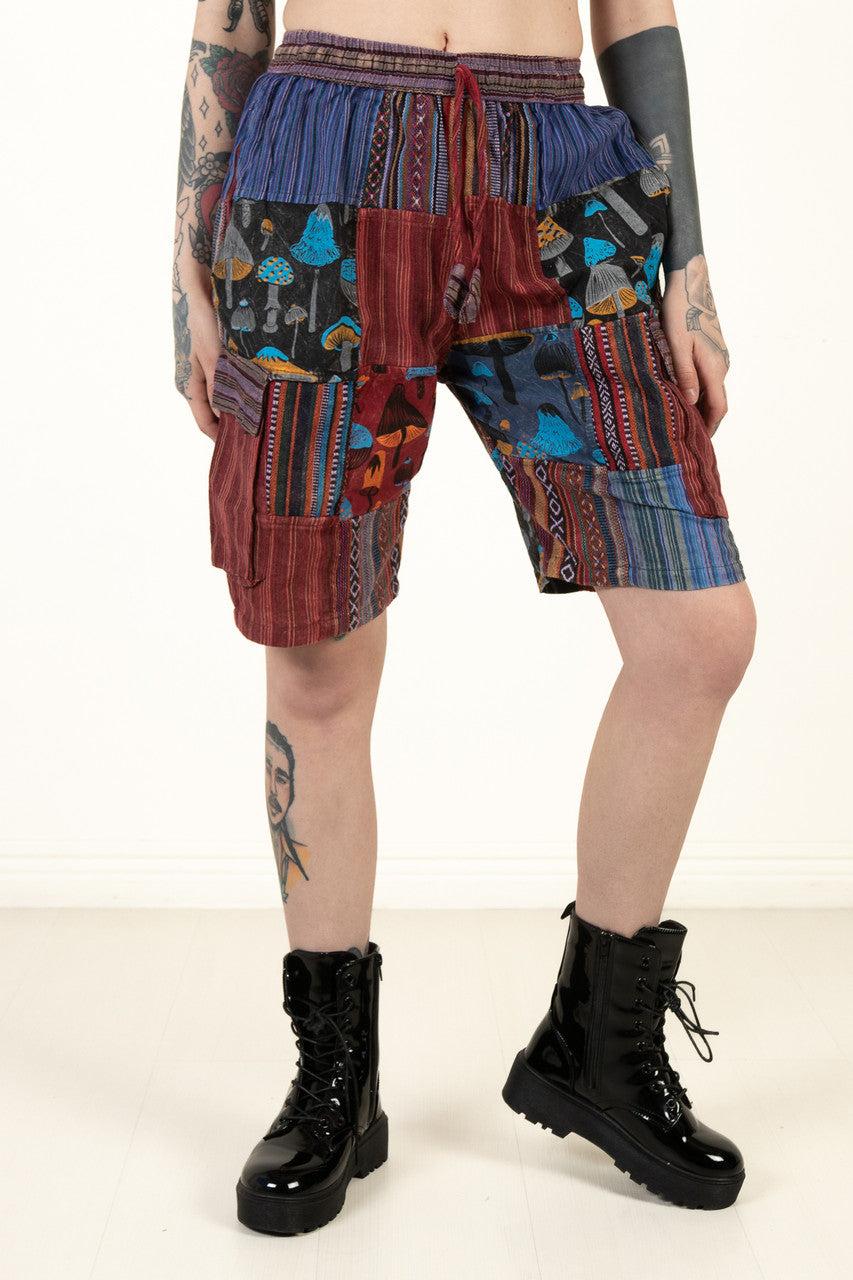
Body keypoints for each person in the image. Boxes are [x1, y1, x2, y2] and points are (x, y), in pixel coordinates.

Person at [173, 0, 756, 1235]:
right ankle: (334, 1075)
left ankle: (599, 1042)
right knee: (316, 656)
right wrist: (188, 248)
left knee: (699, 631)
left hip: (557, 174)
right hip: (322, 160)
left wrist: (687, 260)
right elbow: (232, 13)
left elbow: (636, 11)